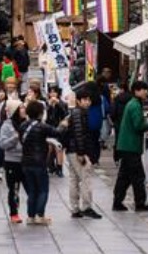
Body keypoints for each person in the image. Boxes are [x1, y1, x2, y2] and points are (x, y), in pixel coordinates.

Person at [112, 81, 148, 212]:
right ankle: (140, 203)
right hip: (131, 146)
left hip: (125, 145)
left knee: (124, 176)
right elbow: (138, 125)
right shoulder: (135, 105)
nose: (146, 92)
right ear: (136, 91)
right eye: (144, 90)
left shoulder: (133, 103)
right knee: (138, 176)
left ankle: (117, 202)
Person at [20, 100, 63, 225]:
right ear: (40, 113)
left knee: (32, 190)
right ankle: (40, 215)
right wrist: (64, 124)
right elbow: (57, 132)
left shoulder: (23, 126)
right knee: (43, 189)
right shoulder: (42, 126)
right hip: (39, 162)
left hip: (26, 162)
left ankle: (31, 216)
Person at [65, 88, 102, 219]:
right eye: (85, 100)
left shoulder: (76, 112)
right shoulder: (78, 113)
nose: (88, 102)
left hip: (71, 150)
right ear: (79, 101)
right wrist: (81, 153)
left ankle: (75, 209)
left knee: (74, 179)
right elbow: (79, 134)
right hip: (77, 151)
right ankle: (86, 207)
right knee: (85, 178)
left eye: (89, 100)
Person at [0, 101, 26, 223]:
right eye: (20, 108)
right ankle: (14, 213)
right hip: (12, 161)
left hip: (26, 161)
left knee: (31, 188)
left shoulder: (27, 124)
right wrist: (15, 137)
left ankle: (34, 212)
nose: (23, 110)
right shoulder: (7, 125)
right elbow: (2, 144)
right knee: (13, 188)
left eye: (24, 107)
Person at [45, 86, 69, 177]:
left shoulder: (62, 103)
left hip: (59, 129)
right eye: (51, 92)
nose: (53, 94)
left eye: (55, 92)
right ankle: (49, 166)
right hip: (48, 128)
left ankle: (60, 168)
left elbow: (65, 115)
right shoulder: (47, 103)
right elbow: (45, 116)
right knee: (49, 148)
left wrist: (58, 104)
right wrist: (50, 105)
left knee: (59, 149)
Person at [85, 81, 109, 165]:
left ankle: (90, 158)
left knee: (89, 141)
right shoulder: (101, 98)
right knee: (96, 141)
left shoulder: (86, 99)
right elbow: (107, 108)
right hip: (98, 123)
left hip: (87, 122)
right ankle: (96, 159)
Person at [110, 83, 132, 162]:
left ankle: (117, 158)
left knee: (118, 141)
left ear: (122, 89)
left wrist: (114, 121)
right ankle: (127, 158)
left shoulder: (117, 99)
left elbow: (112, 112)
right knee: (128, 140)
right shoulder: (131, 99)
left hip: (118, 123)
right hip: (129, 124)